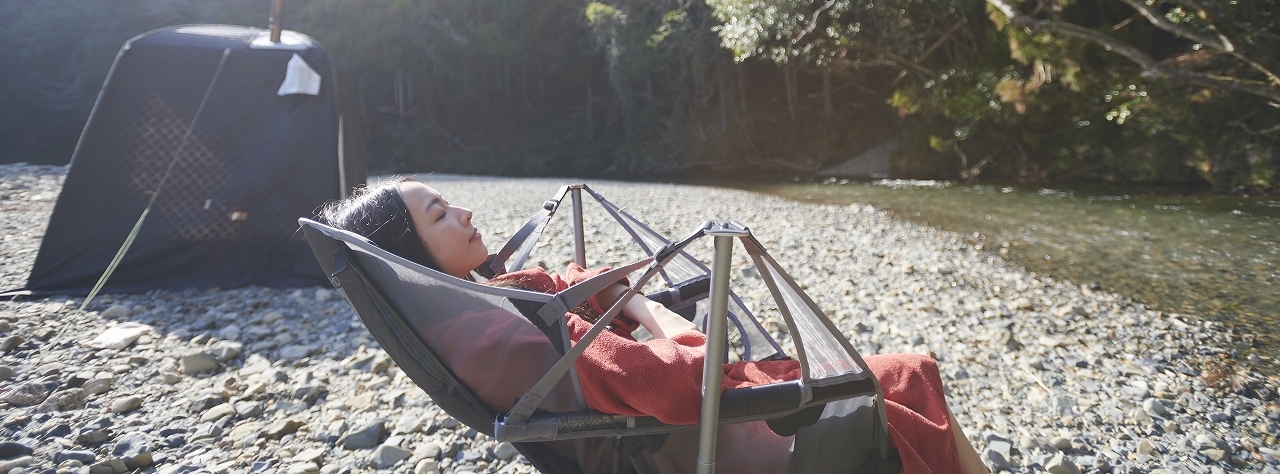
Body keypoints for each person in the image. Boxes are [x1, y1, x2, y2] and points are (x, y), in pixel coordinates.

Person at [318, 178, 991, 474]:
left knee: (900, 375)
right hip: (716, 441)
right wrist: (645, 307)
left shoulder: (471, 319)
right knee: (907, 374)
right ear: (413, 257)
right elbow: (684, 383)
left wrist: (584, 289)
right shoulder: (504, 329)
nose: (463, 211)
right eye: (440, 214)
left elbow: (580, 352)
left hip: (667, 435)